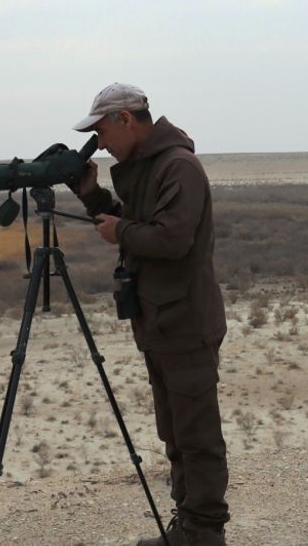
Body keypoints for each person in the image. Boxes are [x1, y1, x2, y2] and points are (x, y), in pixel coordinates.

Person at [72, 83, 229, 546]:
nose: (99, 143)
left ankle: (204, 534)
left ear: (125, 118)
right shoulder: (148, 167)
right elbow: (137, 222)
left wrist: (121, 231)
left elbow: (172, 239)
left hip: (186, 322)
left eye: (101, 131)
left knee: (197, 436)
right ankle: (189, 528)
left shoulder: (178, 166)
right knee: (176, 433)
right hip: (161, 320)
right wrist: (93, 197)